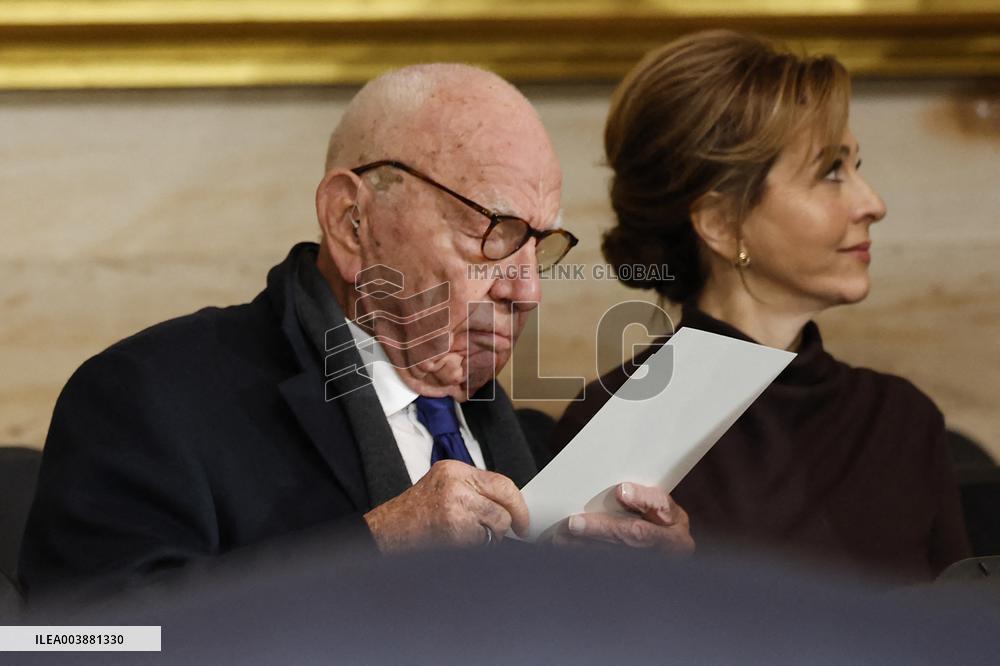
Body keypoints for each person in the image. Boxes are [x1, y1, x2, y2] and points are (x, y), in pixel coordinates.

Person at [19, 64, 693, 600]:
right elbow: (89, 640)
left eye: (539, 247)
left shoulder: (543, 455)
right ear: (352, 223)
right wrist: (369, 550)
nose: (528, 290)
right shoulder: (152, 399)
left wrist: (655, 588)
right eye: (494, 233)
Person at [551, 31, 970, 582]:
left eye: (856, 166)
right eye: (830, 172)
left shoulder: (902, 422)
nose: (874, 204)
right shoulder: (617, 424)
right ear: (722, 224)